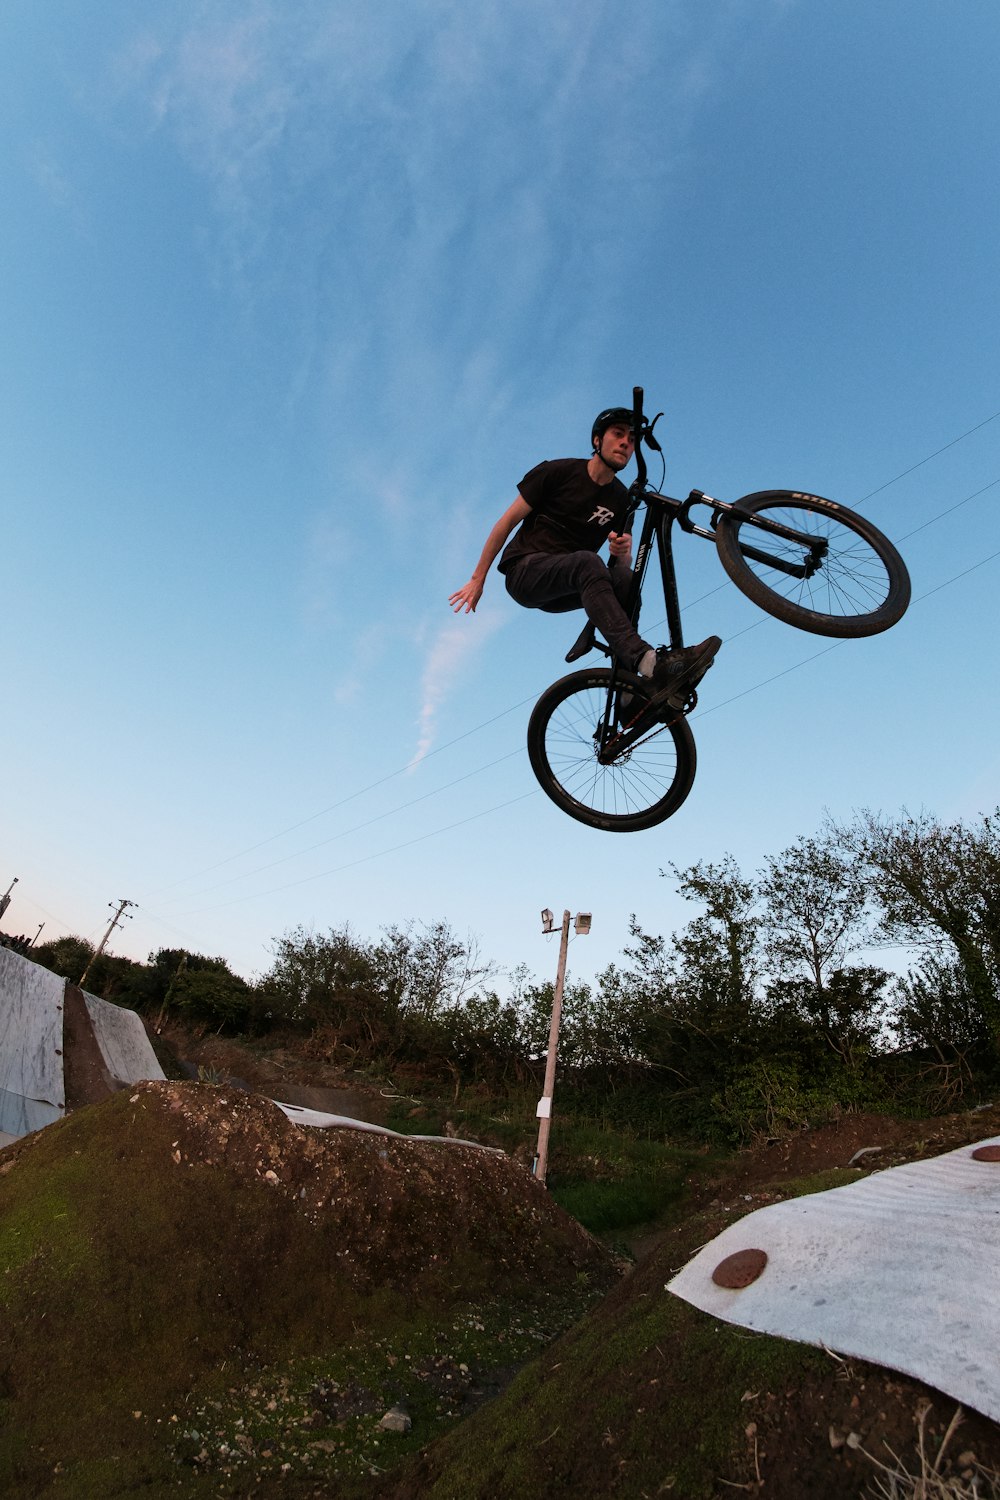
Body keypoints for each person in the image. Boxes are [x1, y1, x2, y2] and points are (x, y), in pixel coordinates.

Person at [449, 406, 721, 703]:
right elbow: (506, 522)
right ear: (596, 441)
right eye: (618, 435)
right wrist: (478, 579)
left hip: (568, 583)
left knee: (626, 583)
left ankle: (630, 694)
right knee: (588, 562)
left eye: (631, 440)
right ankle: (649, 663)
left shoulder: (620, 500)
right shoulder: (557, 472)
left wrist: (623, 553)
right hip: (525, 573)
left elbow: (619, 565)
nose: (625, 444)